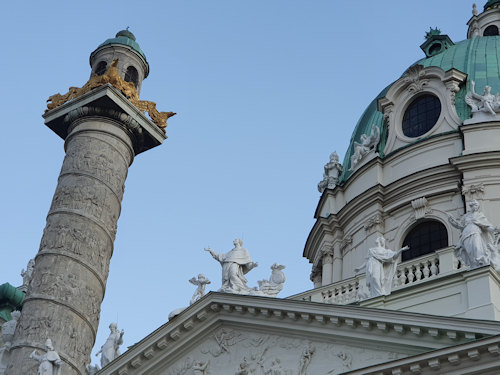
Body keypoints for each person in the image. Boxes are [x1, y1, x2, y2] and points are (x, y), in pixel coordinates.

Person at [448, 200, 499, 268]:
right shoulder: (466, 216)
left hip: (475, 232)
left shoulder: (479, 215)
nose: (475, 207)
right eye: (474, 205)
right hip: (466, 233)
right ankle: (473, 265)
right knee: (469, 251)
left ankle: (480, 262)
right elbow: (459, 225)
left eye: (477, 206)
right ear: (471, 206)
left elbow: (486, 225)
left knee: (477, 247)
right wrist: (452, 221)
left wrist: (494, 230)